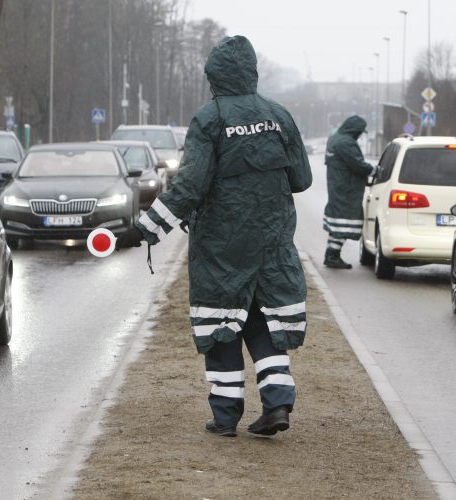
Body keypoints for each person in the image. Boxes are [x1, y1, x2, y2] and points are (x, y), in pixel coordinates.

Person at [117, 35, 312, 437]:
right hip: (272, 244)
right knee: (264, 325)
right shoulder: (280, 115)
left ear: (214, 76)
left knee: (221, 327)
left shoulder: (211, 118)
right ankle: (277, 406)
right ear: (252, 72)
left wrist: (145, 229)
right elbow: (302, 179)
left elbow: (190, 186)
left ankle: (225, 418)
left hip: (222, 248)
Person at [323, 115, 376, 269]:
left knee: (338, 222)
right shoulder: (346, 142)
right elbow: (357, 164)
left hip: (338, 185)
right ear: (355, 130)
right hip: (347, 188)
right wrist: (373, 170)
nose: (359, 135)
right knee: (345, 220)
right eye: (359, 132)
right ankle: (332, 256)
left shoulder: (335, 139)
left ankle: (331, 254)